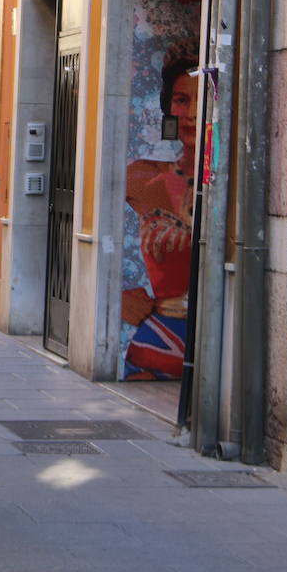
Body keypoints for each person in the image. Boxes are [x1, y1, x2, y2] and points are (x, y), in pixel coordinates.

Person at [122, 52, 199, 379]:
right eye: (182, 100)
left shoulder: (234, 184)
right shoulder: (144, 178)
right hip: (153, 348)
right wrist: (117, 294)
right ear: (168, 107)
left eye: (205, 99)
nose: (193, 113)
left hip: (214, 345)